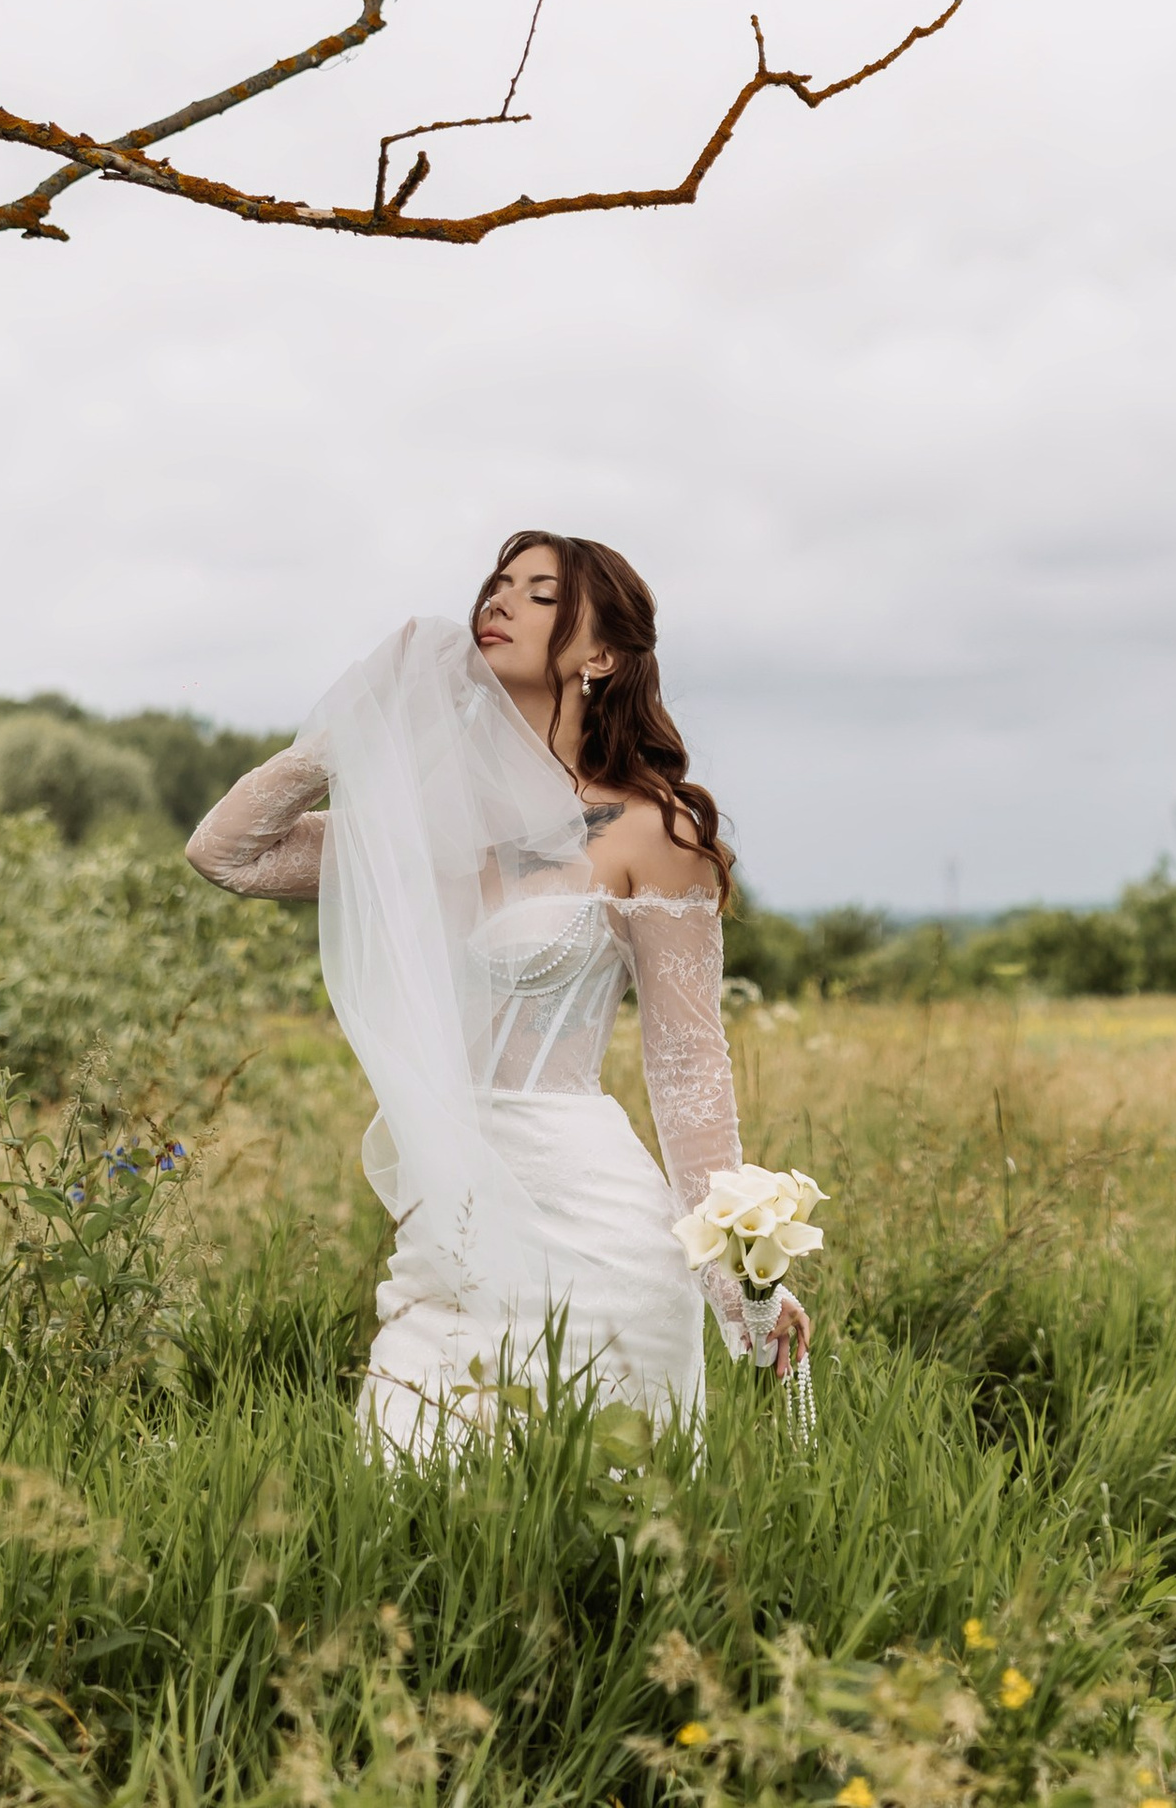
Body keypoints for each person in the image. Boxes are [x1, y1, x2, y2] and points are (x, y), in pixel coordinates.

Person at [185, 532, 810, 1450]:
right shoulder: (433, 827)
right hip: (450, 1223)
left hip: (590, 1231)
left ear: (602, 654)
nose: (502, 602)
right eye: (498, 585)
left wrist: (737, 1273)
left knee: (593, 1536)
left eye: (543, 594)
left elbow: (687, 1069)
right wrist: (361, 722)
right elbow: (226, 853)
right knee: (405, 1482)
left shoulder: (652, 830)